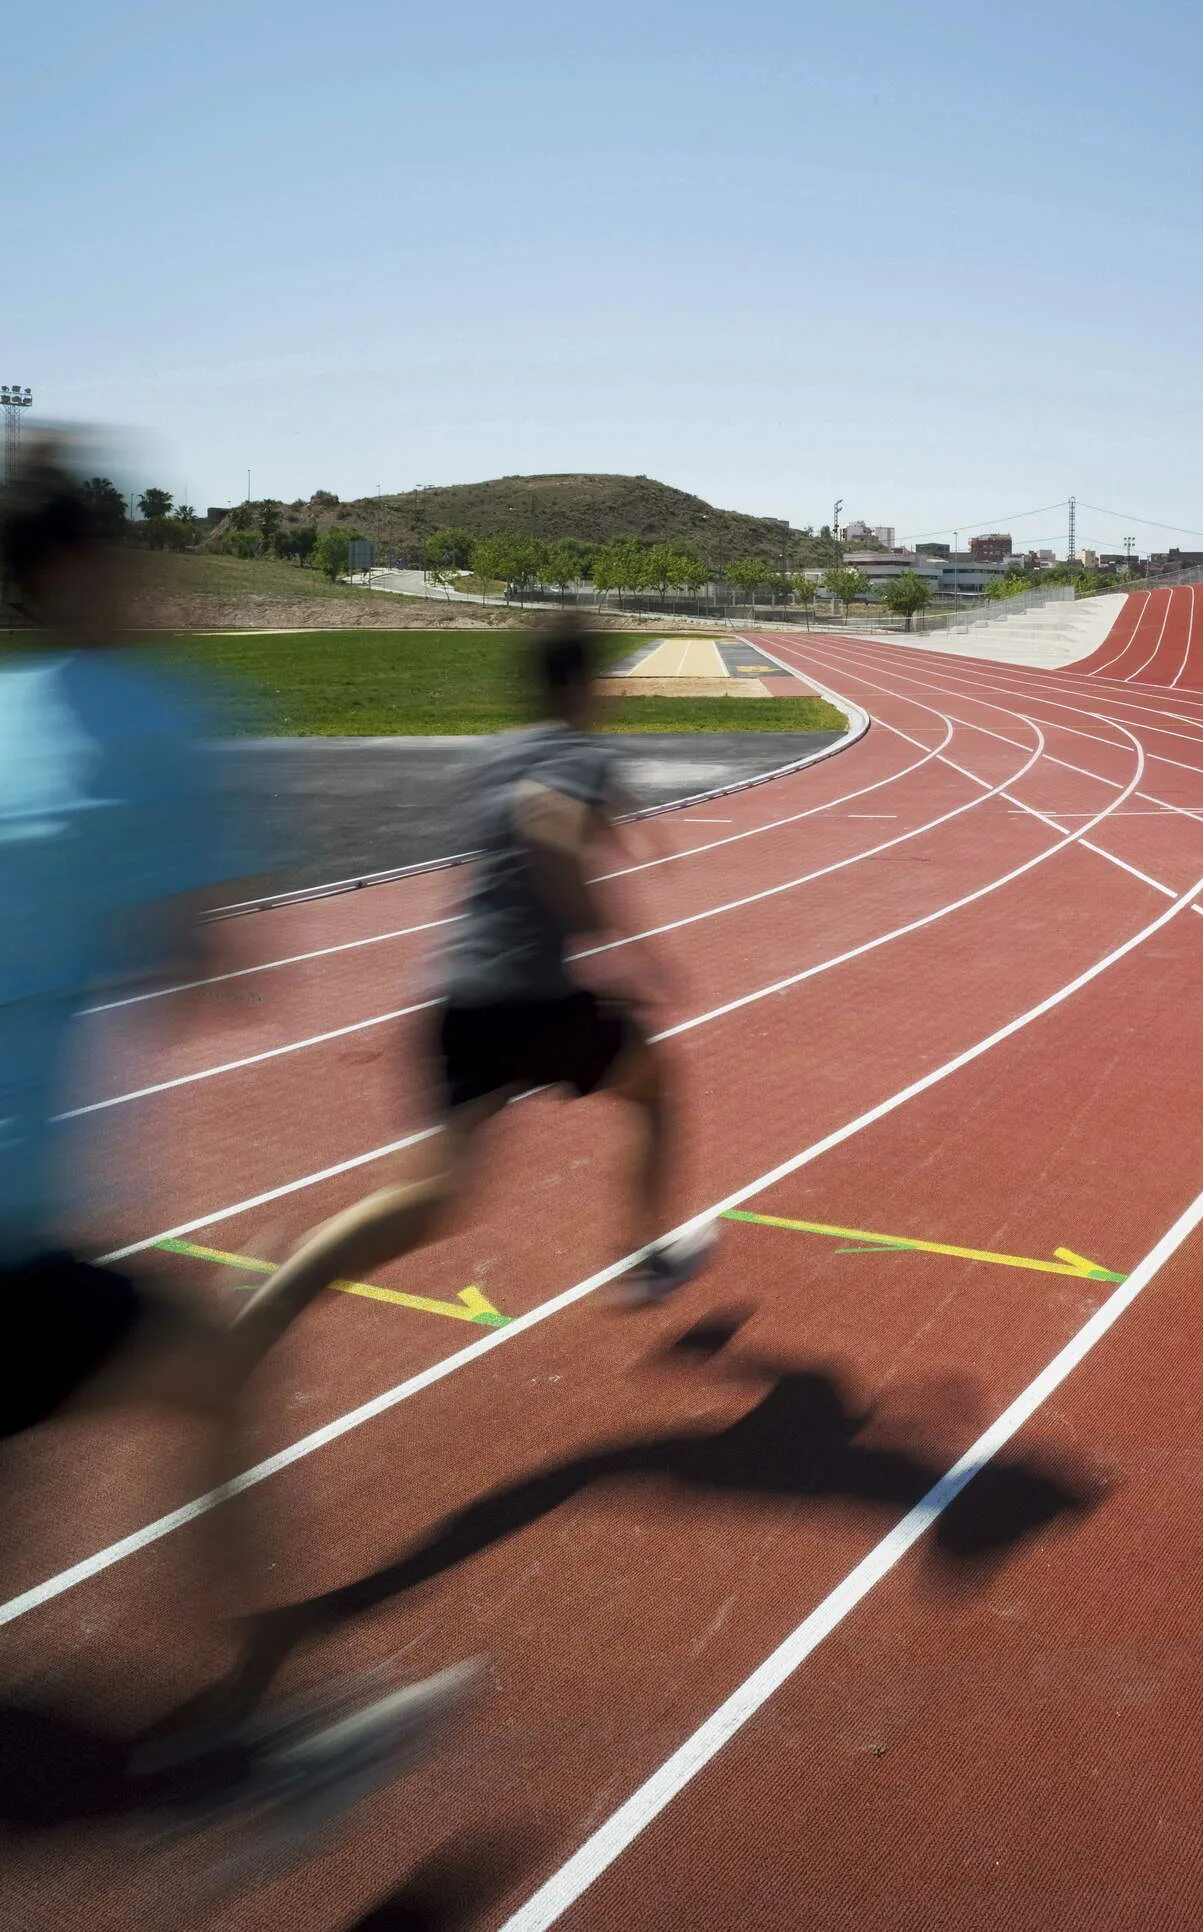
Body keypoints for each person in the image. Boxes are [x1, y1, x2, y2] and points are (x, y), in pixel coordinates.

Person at [0, 448, 472, 1872]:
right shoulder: (149, 719)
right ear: (92, 567)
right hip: (10, 1224)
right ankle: (255, 1758)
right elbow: (217, 974)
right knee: (212, 1381)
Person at [232, 617, 713, 1360]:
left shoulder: (501, 751)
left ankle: (274, 1299)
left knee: (427, 1199)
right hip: (533, 999)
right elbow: (546, 822)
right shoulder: (579, 751)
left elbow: (555, 800)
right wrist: (620, 947)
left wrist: (632, 827)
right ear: (584, 685)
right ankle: (647, 1257)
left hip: (457, 991)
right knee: (656, 1085)